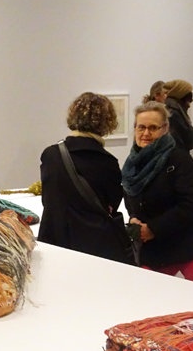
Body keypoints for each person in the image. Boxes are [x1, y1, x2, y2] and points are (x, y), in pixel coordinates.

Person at [121, 101, 193, 285]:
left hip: (186, 245)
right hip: (154, 250)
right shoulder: (132, 164)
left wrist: (154, 229)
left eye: (153, 128)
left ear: (165, 128)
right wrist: (134, 219)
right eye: (141, 127)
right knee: (151, 299)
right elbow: (131, 197)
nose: (146, 133)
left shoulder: (179, 159)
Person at [38, 92, 133, 263]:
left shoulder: (50, 155)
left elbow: (48, 198)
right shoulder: (107, 162)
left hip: (54, 240)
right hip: (93, 245)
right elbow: (111, 205)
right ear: (107, 122)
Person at [163, 79, 193, 151]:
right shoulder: (173, 114)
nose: (189, 105)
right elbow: (191, 141)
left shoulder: (167, 109)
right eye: (189, 101)